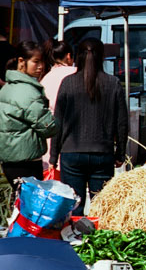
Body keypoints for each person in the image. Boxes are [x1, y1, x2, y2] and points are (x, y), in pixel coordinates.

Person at [50, 38, 128, 213]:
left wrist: (53, 157)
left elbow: (58, 122)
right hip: (103, 153)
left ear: (78, 56)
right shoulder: (113, 83)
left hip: (71, 153)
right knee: (102, 209)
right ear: (102, 57)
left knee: (74, 208)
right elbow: (122, 123)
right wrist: (120, 153)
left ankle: (76, 231)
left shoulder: (68, 83)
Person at [0, 39, 58, 186]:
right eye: (36, 62)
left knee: (19, 197)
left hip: (9, 157)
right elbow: (48, 126)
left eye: (42, 62)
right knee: (28, 199)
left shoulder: (7, 87)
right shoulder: (28, 92)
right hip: (27, 159)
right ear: (21, 61)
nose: (41, 66)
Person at [41, 40, 77, 171]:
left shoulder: (46, 78)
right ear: (68, 56)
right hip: (75, 134)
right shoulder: (76, 73)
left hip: (51, 134)